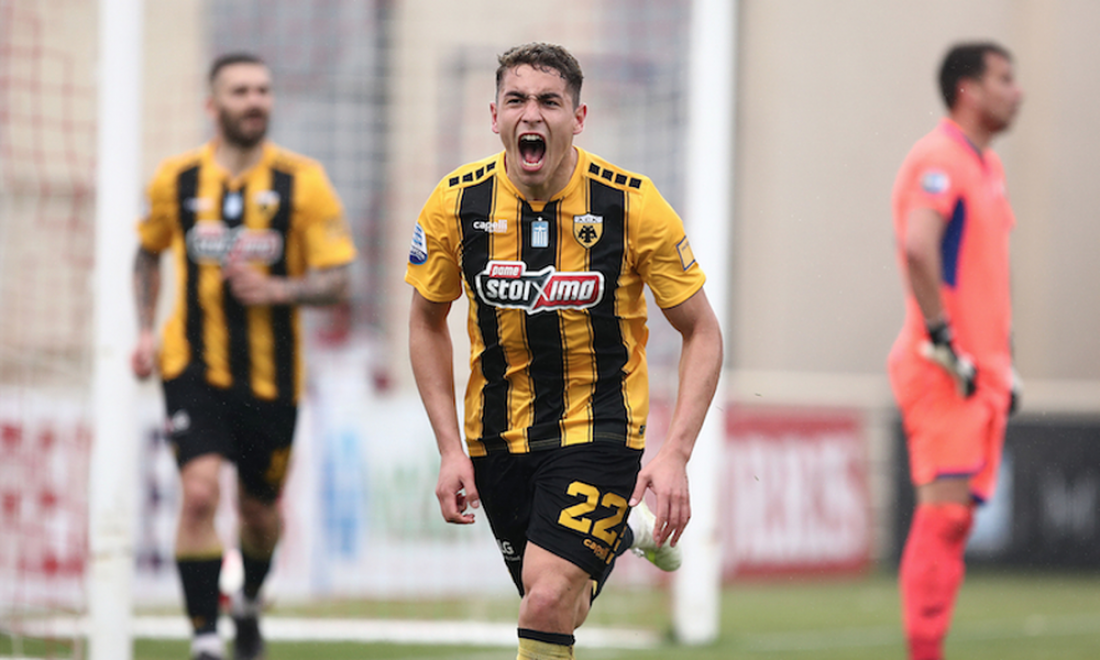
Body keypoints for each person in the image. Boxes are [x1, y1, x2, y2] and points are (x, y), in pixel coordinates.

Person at [406, 42, 722, 660]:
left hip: (601, 427)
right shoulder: (455, 203)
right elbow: (425, 321)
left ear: (578, 118)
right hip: (497, 436)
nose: (532, 114)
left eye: (549, 101)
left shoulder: (631, 204)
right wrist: (449, 449)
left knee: (547, 598)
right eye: (516, 100)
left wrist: (677, 453)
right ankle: (623, 533)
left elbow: (702, 331)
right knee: (559, 604)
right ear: (494, 115)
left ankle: (613, 530)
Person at [130, 52, 357, 660]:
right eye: (240, 91)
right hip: (191, 367)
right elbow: (147, 251)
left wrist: (277, 289)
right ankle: (205, 639)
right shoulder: (177, 179)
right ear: (213, 105)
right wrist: (145, 331)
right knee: (200, 495)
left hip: (272, 379)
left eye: (263, 90)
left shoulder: (302, 181)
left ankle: (249, 603)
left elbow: (340, 279)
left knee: (259, 514)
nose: (255, 100)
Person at [888, 42, 1023, 660]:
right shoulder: (939, 157)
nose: (1017, 92)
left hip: (981, 370)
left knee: (958, 519)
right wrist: (942, 338)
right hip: (944, 368)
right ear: (968, 89)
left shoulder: (986, 166)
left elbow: (986, 274)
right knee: (943, 518)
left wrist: (1007, 358)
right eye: (1004, 79)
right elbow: (919, 246)